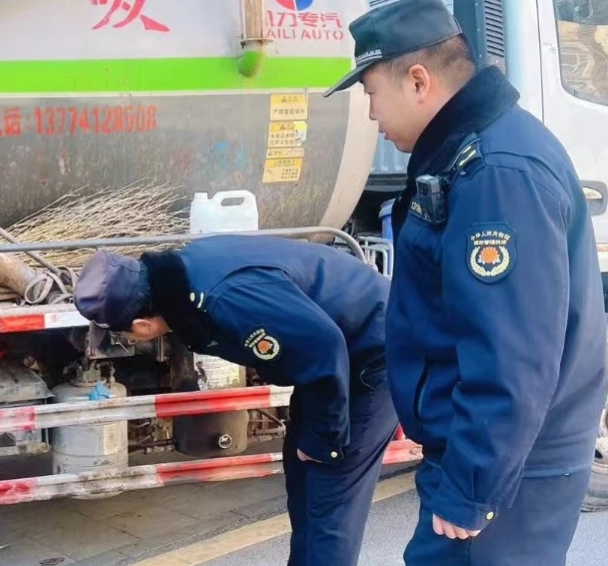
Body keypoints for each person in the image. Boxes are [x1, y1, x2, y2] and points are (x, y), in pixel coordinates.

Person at [324, 0, 608, 565]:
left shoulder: (496, 172)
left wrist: (471, 487)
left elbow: (512, 351)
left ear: (419, 81)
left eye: (372, 93)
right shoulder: (471, 155)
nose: (372, 114)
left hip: (510, 464)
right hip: (495, 454)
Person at [71, 235, 399, 566]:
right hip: (332, 363)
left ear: (143, 325)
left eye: (121, 333)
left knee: (331, 494)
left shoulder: (223, 298)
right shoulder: (182, 279)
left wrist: (325, 440)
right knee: (303, 482)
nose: (125, 339)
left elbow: (324, 346)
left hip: (374, 351)